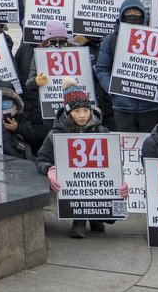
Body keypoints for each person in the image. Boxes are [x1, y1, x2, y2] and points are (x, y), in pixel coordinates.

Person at [36, 81, 116, 239]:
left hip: (97, 184)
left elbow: (114, 161)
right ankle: (78, 221)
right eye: (77, 111)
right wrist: (50, 170)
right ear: (68, 113)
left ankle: (96, 218)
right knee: (77, 179)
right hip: (71, 184)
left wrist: (120, 179)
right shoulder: (55, 134)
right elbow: (41, 159)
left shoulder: (102, 132)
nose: (82, 115)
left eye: (86, 110)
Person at [93, 0, 158, 132]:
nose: (133, 15)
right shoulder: (110, 40)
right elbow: (101, 68)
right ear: (121, 15)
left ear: (143, 15)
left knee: (152, 147)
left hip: (152, 106)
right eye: (128, 12)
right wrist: (112, 88)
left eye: (137, 11)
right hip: (122, 108)